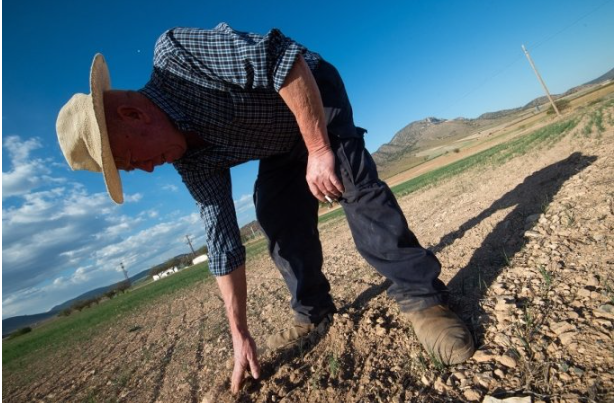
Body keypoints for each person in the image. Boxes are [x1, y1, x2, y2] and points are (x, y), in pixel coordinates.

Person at [56, 23, 475, 394]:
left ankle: (423, 300)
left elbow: (283, 61)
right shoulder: (191, 160)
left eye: (132, 159)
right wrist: (239, 334)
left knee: (346, 175)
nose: (146, 169)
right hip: (277, 141)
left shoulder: (177, 55)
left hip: (310, 89)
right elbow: (221, 240)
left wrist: (318, 148)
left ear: (131, 114)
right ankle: (313, 311)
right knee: (275, 213)